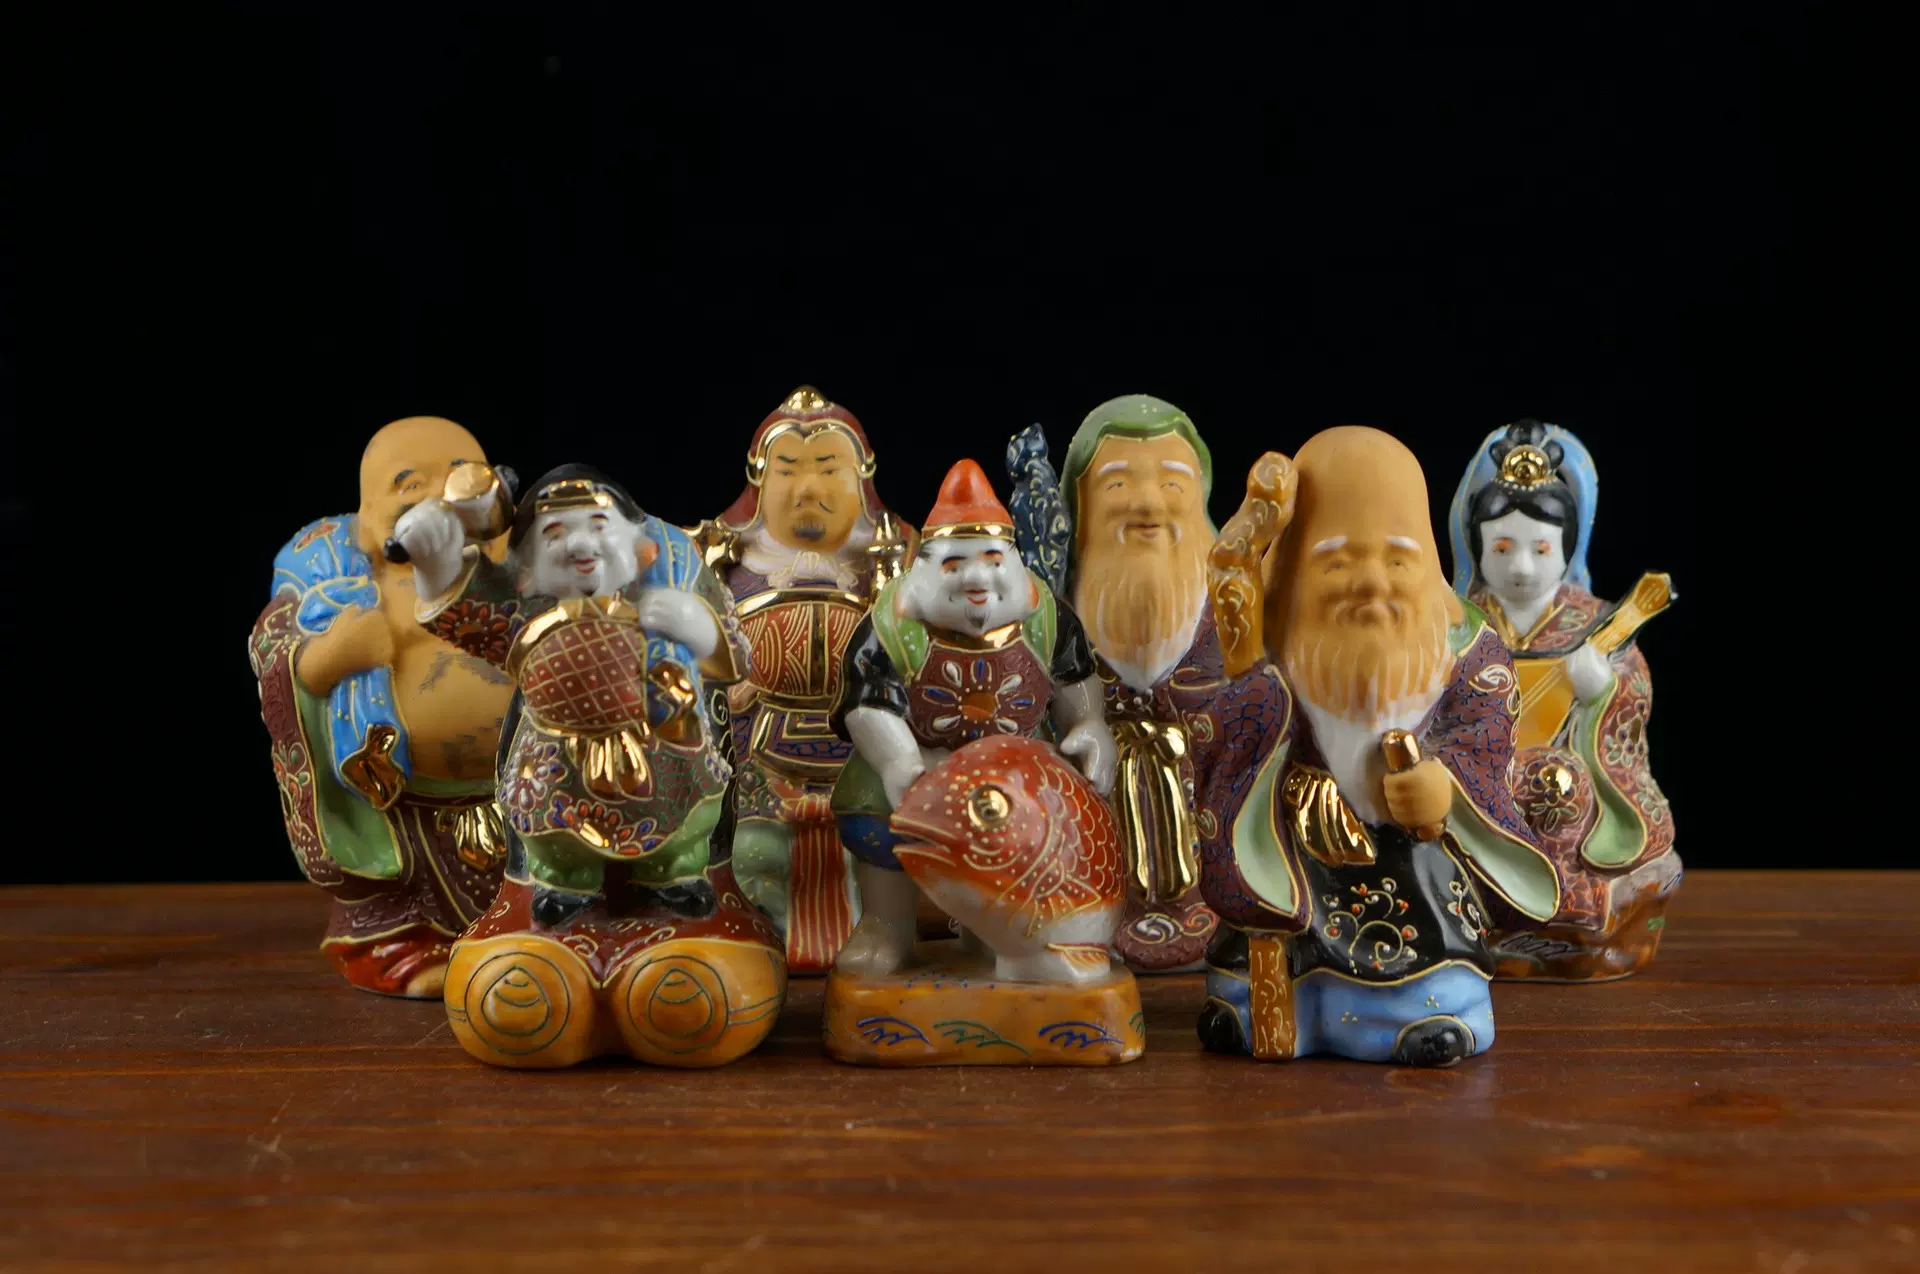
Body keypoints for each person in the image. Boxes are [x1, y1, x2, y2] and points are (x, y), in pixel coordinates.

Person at [1195, 427, 1560, 1066]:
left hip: (1413, 857)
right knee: (1266, 935)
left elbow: (1486, 737)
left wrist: (1444, 786)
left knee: (1422, 943)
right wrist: (1261, 723)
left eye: (1396, 560)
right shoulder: (1266, 637)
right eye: (1336, 562)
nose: (1370, 583)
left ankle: (1428, 1010)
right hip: (1296, 850)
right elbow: (1219, 731)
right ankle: (1260, 1007)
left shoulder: (1468, 650)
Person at [250, 416, 517, 997]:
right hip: (398, 799)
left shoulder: (524, 562)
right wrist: (328, 658)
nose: (436, 494)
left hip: (525, 787)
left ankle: (531, 933)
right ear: (368, 516)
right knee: (393, 895)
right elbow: (275, 648)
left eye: (460, 473)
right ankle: (401, 948)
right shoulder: (333, 575)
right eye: (408, 482)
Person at [827, 459, 1117, 977]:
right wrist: (897, 760)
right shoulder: (893, 625)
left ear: (1013, 561)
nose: (977, 578)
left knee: (1031, 830)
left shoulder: (1047, 617)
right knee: (880, 821)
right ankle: (887, 925)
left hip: (1018, 772)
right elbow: (868, 702)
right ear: (924, 567)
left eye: (991, 559)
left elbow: (1076, 679)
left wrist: (1089, 725)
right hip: (919, 763)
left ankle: (1002, 933)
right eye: (955, 564)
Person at [690, 387, 913, 971]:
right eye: (787, 470)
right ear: (759, 479)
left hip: (868, 759)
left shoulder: (906, 560)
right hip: (758, 761)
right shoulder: (714, 561)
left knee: (882, 854)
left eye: (829, 469)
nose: (808, 489)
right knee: (750, 855)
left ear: (862, 476)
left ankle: (881, 932)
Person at [1449, 419, 1679, 979]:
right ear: (1477, 547)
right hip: (1474, 769)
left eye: (1540, 548)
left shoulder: (1593, 624)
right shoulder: (1457, 622)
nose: (1521, 566)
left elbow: (1631, 692)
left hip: (1559, 781)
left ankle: (1561, 906)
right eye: (1503, 548)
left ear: (1566, 548)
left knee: (1559, 781)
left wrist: (1603, 689)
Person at [1047, 394, 1225, 971]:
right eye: (1118, 485)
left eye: (1172, 484)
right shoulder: (1052, 613)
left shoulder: (1234, 611)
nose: (1148, 504)